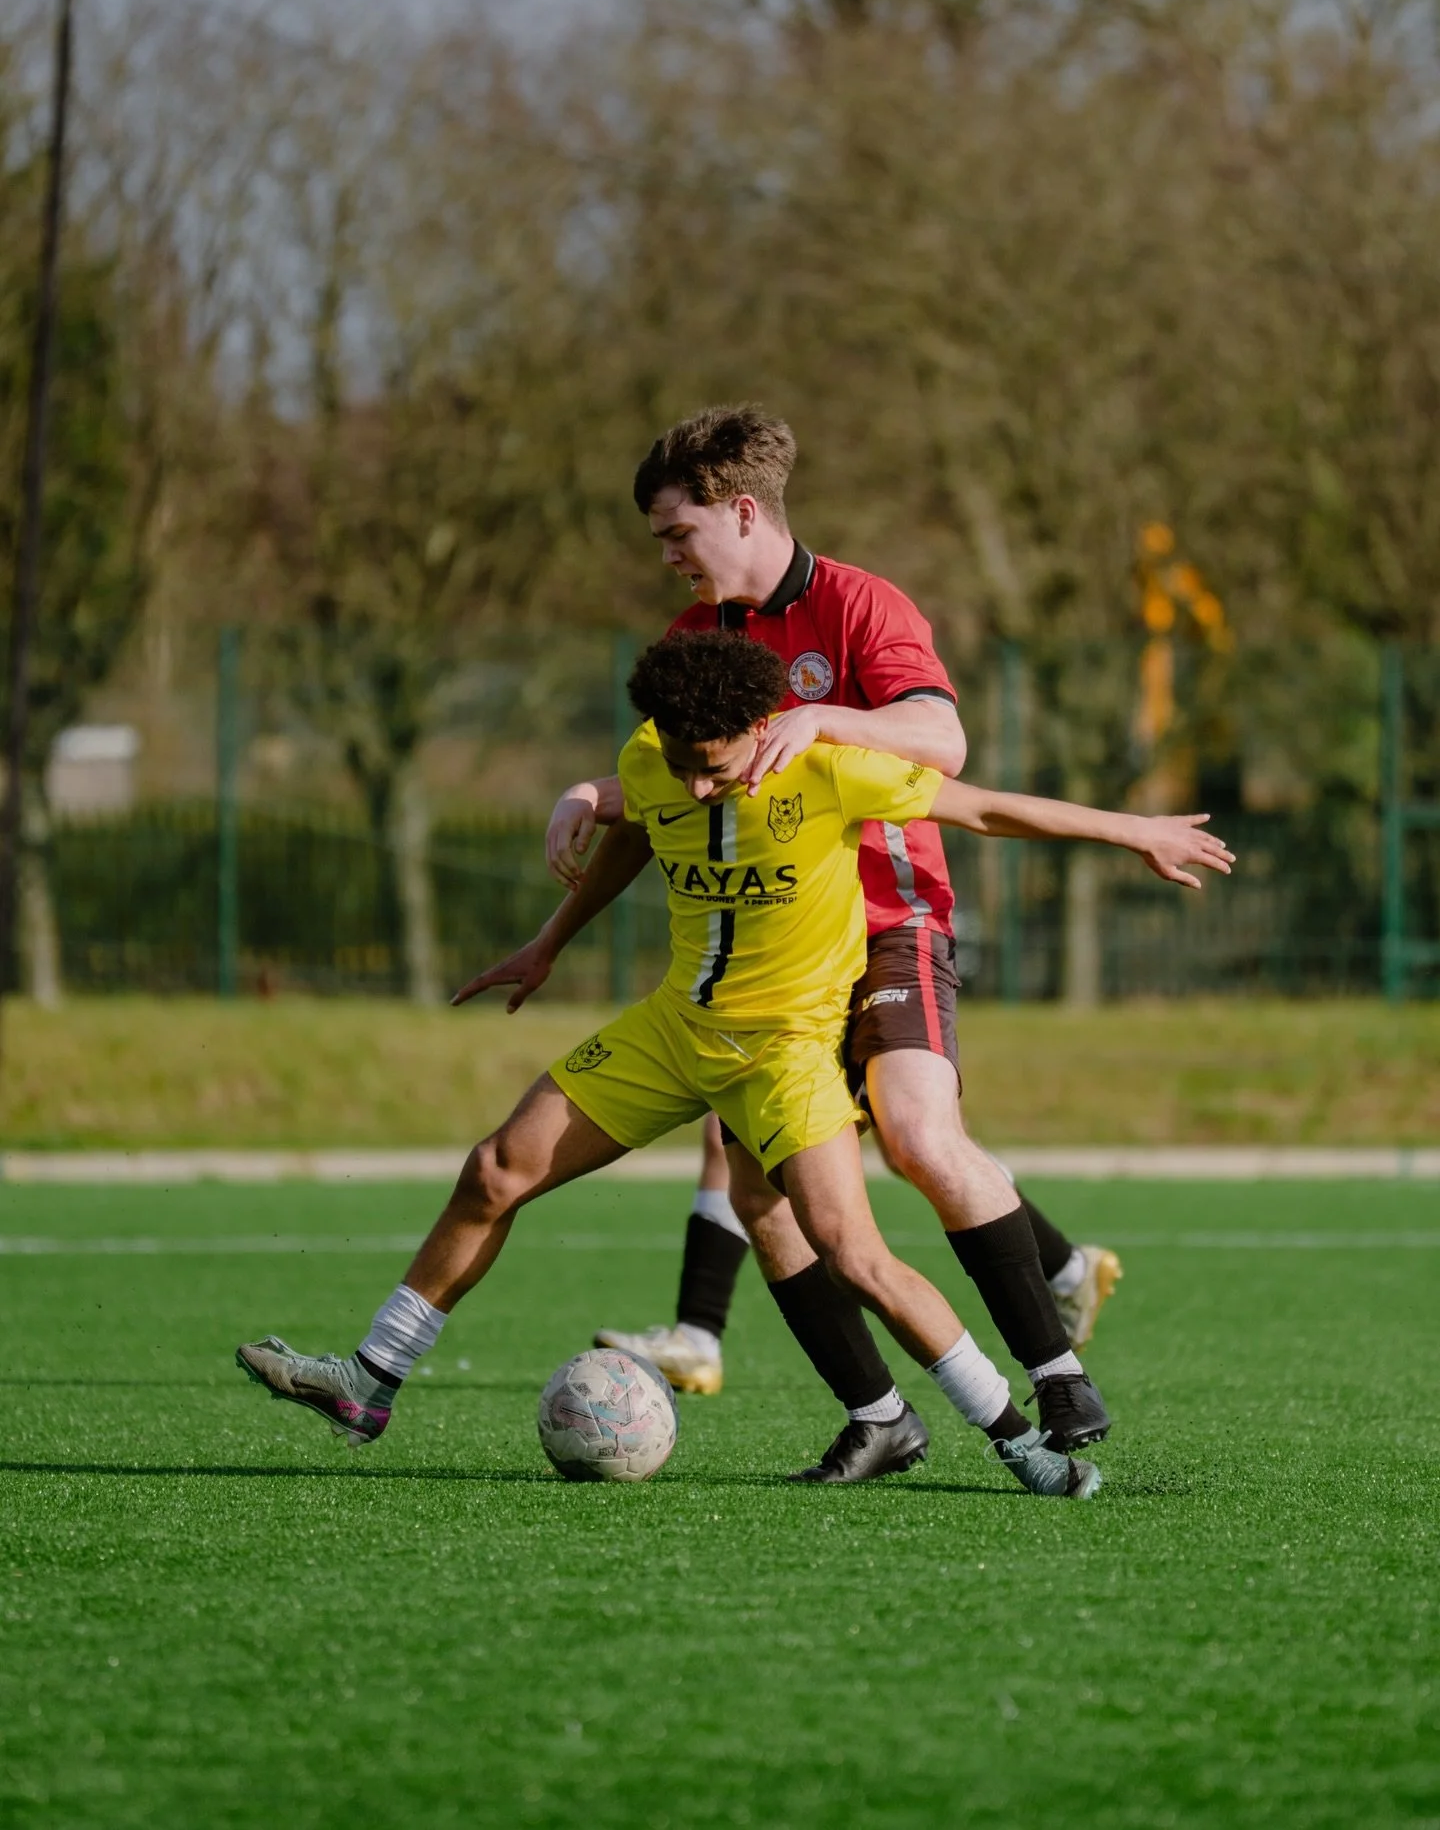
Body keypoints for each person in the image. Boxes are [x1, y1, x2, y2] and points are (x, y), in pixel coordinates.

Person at [236, 634, 1229, 1497]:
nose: (700, 784)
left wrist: (1131, 828)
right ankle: (370, 1381)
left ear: (765, 725)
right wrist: (576, 819)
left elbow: (984, 810)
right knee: (494, 1170)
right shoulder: (656, 753)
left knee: (857, 1254)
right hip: (674, 1029)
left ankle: (1023, 1447)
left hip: (785, 1055)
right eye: (683, 762)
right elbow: (633, 808)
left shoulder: (833, 767)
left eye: (717, 766)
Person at [542, 407, 1117, 1478]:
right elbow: (669, 782)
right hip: (773, 947)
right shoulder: (693, 638)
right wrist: (590, 797)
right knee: (758, 1193)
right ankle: (880, 1412)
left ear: (743, 511)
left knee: (912, 1131)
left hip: (887, 919)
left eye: (677, 533)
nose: (666, 557)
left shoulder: (860, 605)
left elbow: (944, 742)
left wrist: (827, 720)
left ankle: (1055, 1371)